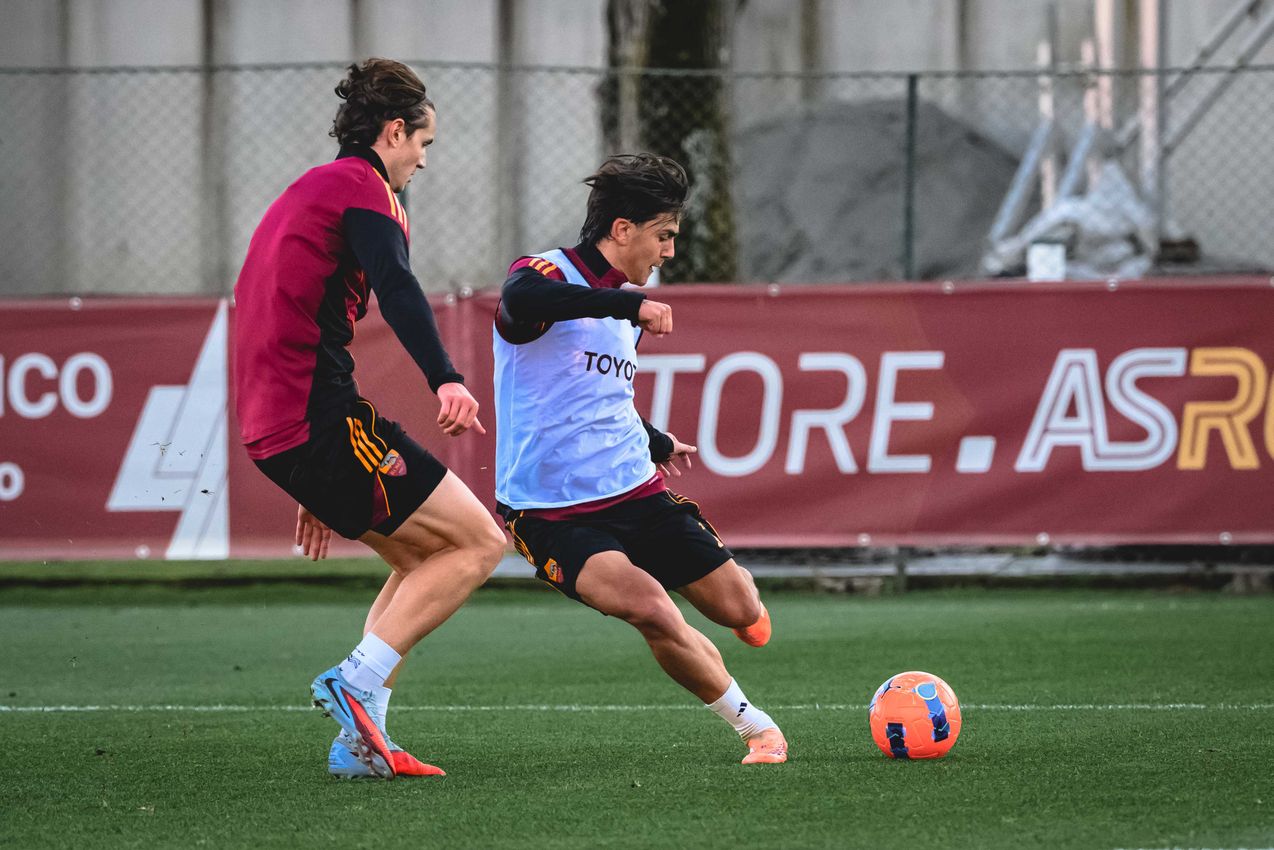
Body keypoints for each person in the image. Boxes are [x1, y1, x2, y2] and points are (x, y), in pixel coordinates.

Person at [232, 58, 506, 780]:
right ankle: (355, 683)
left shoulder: (307, 192)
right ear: (393, 132)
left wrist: (305, 477)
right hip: (316, 420)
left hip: (282, 428)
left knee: (422, 558)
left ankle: (360, 745)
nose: (423, 158)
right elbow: (398, 286)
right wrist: (446, 377)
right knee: (479, 543)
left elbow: (267, 320)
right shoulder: (363, 190)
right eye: (424, 143)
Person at [492, 153, 788, 765]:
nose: (669, 253)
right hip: (549, 513)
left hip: (637, 491)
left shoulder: (626, 301)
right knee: (650, 607)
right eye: (664, 235)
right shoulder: (548, 272)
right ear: (622, 230)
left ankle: (741, 614)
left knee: (738, 608)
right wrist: (629, 306)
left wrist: (655, 440)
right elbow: (520, 295)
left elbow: (598, 396)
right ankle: (756, 726)